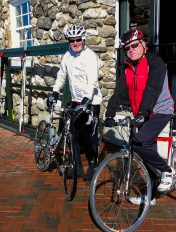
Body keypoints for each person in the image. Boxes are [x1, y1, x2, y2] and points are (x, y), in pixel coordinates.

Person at [104, 28, 174, 205]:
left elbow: (152, 90)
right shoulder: (127, 68)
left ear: (144, 45)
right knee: (146, 153)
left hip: (160, 111)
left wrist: (142, 114)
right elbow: (119, 92)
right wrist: (109, 114)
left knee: (139, 141)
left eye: (134, 45)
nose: (131, 50)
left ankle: (168, 171)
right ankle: (150, 197)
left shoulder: (155, 63)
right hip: (142, 114)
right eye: (127, 48)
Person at [47, 24, 102, 181]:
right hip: (76, 101)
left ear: (83, 40)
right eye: (72, 40)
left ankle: (93, 165)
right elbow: (61, 76)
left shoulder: (91, 56)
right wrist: (55, 93)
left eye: (78, 39)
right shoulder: (67, 55)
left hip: (91, 101)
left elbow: (92, 82)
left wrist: (85, 101)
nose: (75, 43)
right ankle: (78, 167)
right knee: (72, 133)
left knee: (92, 135)